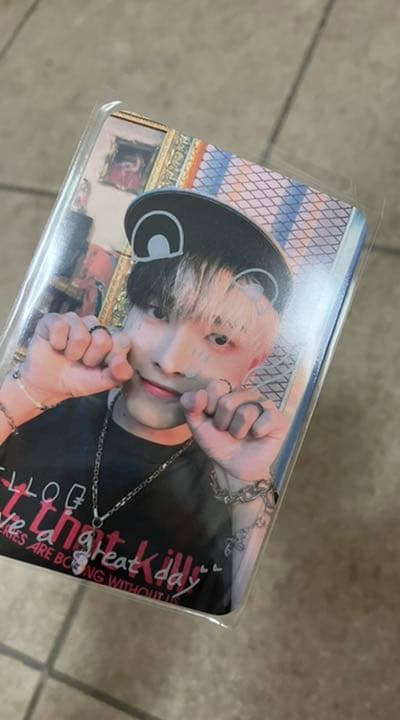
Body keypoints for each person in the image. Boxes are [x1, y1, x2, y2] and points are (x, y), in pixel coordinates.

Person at [0, 189, 292, 615]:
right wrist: (26, 393)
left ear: (252, 365)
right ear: (130, 310)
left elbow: (251, 629)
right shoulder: (35, 405)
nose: (169, 362)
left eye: (219, 338)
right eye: (157, 311)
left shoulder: (242, 494)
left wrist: (246, 493)